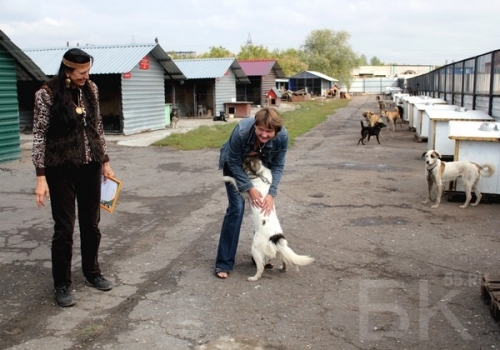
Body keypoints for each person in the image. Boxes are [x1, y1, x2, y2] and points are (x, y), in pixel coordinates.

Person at [32, 48, 115, 307]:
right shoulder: (46, 95)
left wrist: (106, 162)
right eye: (81, 72)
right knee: (64, 228)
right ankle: (62, 284)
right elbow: (39, 136)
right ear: (67, 70)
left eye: (88, 70)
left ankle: (92, 273)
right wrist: (40, 177)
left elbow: (97, 126)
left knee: (91, 224)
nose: (86, 76)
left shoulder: (91, 89)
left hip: (90, 167)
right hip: (60, 170)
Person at [215, 107, 289, 279]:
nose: (263, 135)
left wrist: (271, 194)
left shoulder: (282, 137)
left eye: (269, 131)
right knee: (237, 209)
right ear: (255, 126)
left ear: (276, 131)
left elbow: (278, 166)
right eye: (260, 130)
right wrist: (249, 188)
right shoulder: (241, 130)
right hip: (235, 166)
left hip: (259, 167)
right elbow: (232, 162)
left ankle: (260, 257)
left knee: (262, 212)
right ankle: (223, 263)